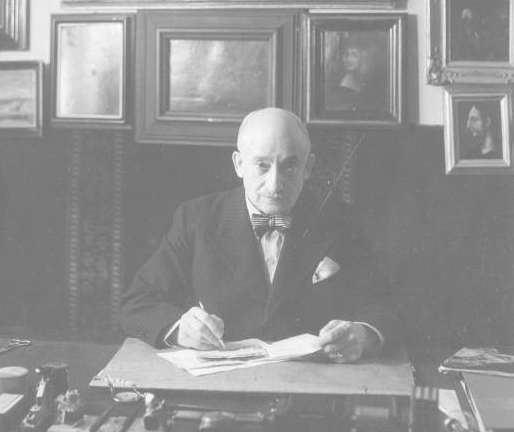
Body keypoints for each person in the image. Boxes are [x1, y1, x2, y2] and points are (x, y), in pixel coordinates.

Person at [119, 107, 397, 362]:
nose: (275, 185)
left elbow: (384, 305)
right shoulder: (196, 218)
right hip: (221, 382)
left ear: (308, 167)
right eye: (262, 165)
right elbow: (137, 302)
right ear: (239, 164)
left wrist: (362, 334)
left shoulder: (341, 221)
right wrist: (180, 329)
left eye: (290, 166)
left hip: (313, 378)